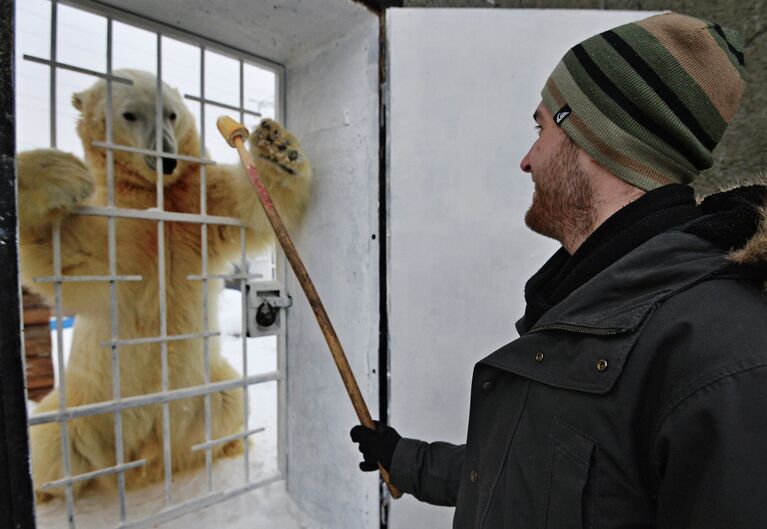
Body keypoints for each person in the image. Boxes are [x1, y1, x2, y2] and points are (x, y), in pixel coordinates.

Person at [351, 11, 767, 528]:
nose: (527, 160)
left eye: (541, 127)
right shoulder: (587, 302)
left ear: (595, 137)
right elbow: (530, 475)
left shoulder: (726, 359)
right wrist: (407, 460)